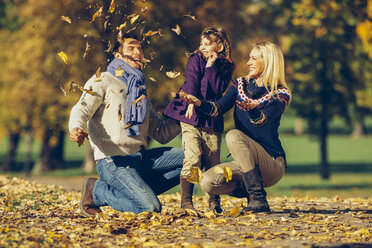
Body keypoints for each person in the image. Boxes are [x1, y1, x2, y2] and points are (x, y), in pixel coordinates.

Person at [69, 33, 184, 217]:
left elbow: (162, 133)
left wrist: (184, 114)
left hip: (141, 159)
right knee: (150, 208)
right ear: (118, 55)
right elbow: (81, 109)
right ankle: (97, 191)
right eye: (131, 48)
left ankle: (136, 192)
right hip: (113, 161)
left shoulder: (139, 90)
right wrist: (76, 128)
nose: (138, 52)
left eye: (140, 48)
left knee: (191, 160)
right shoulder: (103, 80)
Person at [180, 41, 291, 213]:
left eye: (254, 59)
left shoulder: (280, 94)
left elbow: (261, 121)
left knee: (233, 135)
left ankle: (257, 198)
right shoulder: (240, 85)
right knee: (208, 182)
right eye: (249, 58)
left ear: (268, 61)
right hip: (245, 163)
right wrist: (199, 103)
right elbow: (218, 108)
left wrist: (253, 111)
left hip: (271, 163)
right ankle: (251, 190)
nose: (248, 63)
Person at [163, 27, 235, 213]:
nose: (202, 47)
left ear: (219, 47)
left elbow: (217, 89)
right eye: (201, 43)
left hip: (211, 120)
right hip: (191, 116)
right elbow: (193, 81)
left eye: (207, 44)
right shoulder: (195, 59)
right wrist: (192, 102)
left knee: (213, 162)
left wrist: (211, 67)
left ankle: (214, 202)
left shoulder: (226, 65)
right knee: (193, 158)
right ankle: (186, 202)